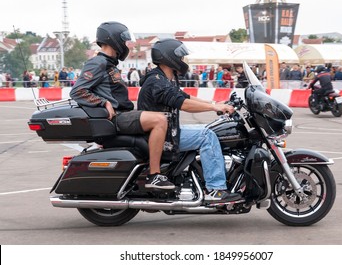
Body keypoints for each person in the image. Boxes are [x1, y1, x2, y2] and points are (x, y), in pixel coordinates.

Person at [70, 21, 171, 190]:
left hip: (123, 114)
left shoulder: (109, 64)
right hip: (118, 117)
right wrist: (103, 103)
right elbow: (78, 91)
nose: (125, 45)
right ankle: (154, 175)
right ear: (113, 39)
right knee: (159, 120)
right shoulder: (98, 63)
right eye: (123, 41)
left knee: (164, 117)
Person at [137, 38, 241, 202]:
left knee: (209, 129)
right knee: (207, 136)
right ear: (169, 57)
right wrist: (215, 108)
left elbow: (186, 96)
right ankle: (216, 189)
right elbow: (183, 104)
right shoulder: (157, 82)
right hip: (162, 136)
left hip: (169, 130)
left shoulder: (164, 78)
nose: (182, 60)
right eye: (180, 57)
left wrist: (215, 103)